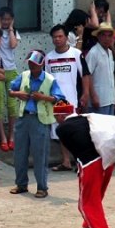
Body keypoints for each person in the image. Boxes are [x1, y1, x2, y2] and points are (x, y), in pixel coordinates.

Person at [55, 112, 115, 228]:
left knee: (86, 203)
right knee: (96, 196)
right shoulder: (86, 118)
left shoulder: (61, 129)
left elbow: (76, 150)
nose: (55, 120)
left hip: (90, 164)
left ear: (60, 116)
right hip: (108, 160)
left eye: (55, 116)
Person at [8, 50, 65, 198]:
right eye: (30, 63)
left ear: (41, 64)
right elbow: (10, 90)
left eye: (35, 64)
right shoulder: (24, 75)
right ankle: (21, 184)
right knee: (19, 154)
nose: (32, 66)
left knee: (40, 155)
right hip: (23, 117)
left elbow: (59, 98)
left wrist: (43, 97)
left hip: (40, 120)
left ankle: (42, 187)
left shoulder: (50, 79)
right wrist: (17, 94)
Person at [45, 24, 91, 171]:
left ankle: (80, 162)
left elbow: (85, 74)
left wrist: (85, 93)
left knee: (75, 132)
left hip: (72, 99)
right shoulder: (48, 58)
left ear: (66, 37)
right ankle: (65, 161)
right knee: (61, 132)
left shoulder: (76, 54)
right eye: (54, 37)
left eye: (60, 36)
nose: (57, 39)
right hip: (55, 101)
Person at [0, 7, 21, 152]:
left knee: (12, 105)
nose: (6, 21)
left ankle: (12, 136)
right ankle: (3, 137)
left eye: (8, 19)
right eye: (3, 19)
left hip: (11, 71)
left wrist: (10, 29)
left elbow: (13, 45)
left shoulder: (14, 32)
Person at [86, 22, 115, 115]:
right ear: (98, 37)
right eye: (103, 35)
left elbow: (110, 76)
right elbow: (87, 75)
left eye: (109, 36)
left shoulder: (110, 53)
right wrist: (93, 95)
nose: (106, 39)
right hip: (99, 99)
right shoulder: (93, 53)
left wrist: (114, 97)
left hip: (109, 98)